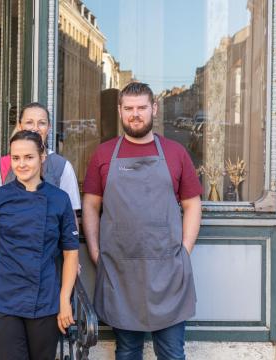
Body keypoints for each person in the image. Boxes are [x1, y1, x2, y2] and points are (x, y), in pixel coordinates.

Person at [82, 82, 202, 360]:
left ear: (154, 109)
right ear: (120, 111)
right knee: (126, 352)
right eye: (129, 109)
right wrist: (95, 251)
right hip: (120, 272)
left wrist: (184, 250)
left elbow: (192, 204)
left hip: (168, 271)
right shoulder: (103, 153)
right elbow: (90, 204)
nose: (135, 114)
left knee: (172, 353)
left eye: (141, 108)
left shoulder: (176, 153)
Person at [0, 130, 80, 360]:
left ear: (42, 157)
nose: (21, 164)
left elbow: (71, 254)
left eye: (29, 157)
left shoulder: (60, 199)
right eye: (16, 158)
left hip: (45, 299)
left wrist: (64, 302)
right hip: (3, 298)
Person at [0, 102, 81, 218]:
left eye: (42, 123)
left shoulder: (62, 166)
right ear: (19, 126)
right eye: (29, 122)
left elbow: (70, 216)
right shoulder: (2, 166)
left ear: (49, 128)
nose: (35, 128)